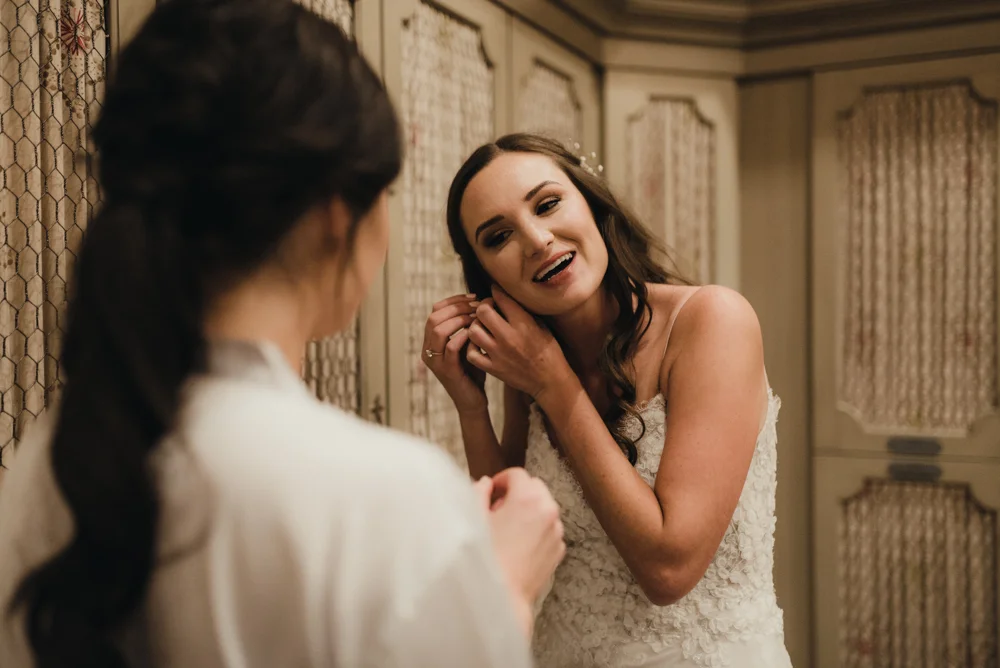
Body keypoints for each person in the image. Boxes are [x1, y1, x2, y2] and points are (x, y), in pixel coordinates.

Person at [0, 5, 565, 667]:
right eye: (386, 192)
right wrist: (505, 588)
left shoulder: (53, 459)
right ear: (337, 214)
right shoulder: (387, 495)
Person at [422, 133, 792, 667]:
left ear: (592, 204)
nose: (537, 239)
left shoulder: (712, 322)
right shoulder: (528, 354)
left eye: (548, 204)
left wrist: (554, 385)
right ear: (487, 277)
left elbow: (669, 571)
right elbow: (509, 546)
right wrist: (470, 405)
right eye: (498, 236)